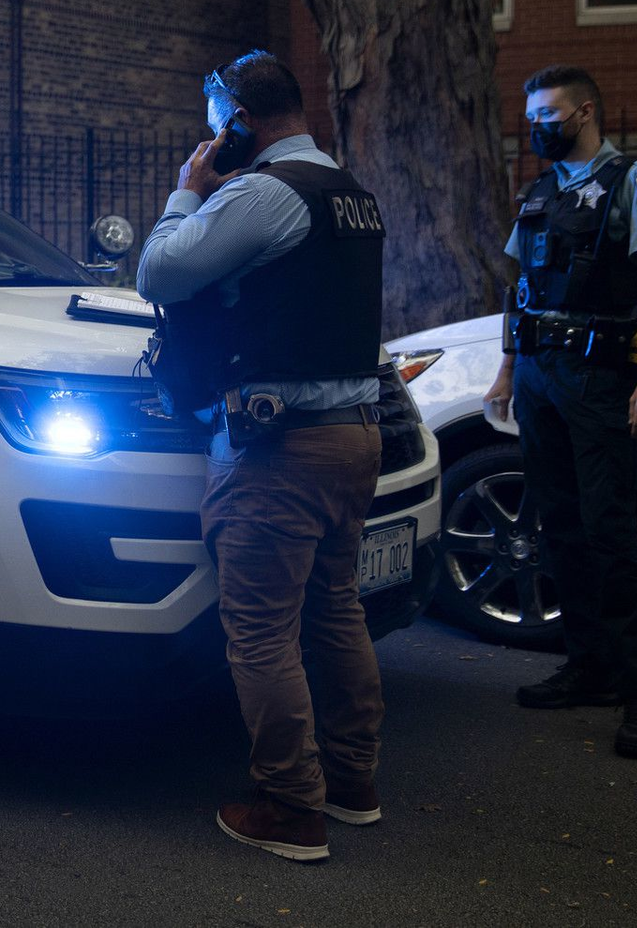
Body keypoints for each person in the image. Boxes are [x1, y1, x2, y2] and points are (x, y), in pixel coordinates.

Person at [137, 50, 388, 862]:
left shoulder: (261, 192)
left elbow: (160, 273)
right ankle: (352, 784)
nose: (210, 139)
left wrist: (188, 189)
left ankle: (290, 806)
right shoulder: (352, 193)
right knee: (336, 608)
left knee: (260, 632)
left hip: (277, 449)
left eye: (215, 125)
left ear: (240, 121)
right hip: (353, 432)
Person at [486, 64, 637, 760]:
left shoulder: (635, 182)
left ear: (585, 112)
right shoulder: (541, 190)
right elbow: (519, 288)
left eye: (548, 112)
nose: (537, 123)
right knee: (562, 527)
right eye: (532, 111)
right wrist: (508, 368)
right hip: (541, 373)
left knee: (611, 533)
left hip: (602, 377)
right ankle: (589, 665)